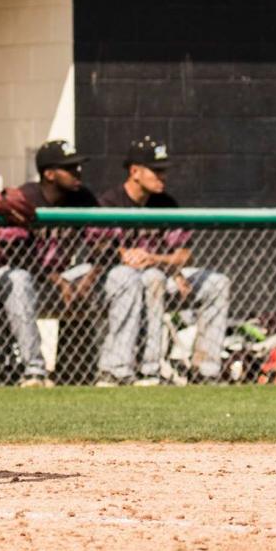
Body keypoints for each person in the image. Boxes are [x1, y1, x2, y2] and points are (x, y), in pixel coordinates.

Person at [95, 137, 232, 386]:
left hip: (163, 276)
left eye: (164, 170)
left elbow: (183, 255)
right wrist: (128, 256)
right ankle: (146, 370)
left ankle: (206, 370)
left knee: (217, 283)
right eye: (156, 170)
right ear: (135, 171)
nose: (163, 176)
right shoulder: (111, 202)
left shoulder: (166, 204)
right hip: (117, 283)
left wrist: (156, 259)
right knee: (149, 278)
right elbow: (100, 248)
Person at [0, 139, 101, 387]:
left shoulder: (83, 197)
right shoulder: (25, 196)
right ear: (49, 174)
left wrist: (90, 276)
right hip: (14, 280)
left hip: (59, 282)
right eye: (70, 168)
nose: (78, 172)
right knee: (19, 279)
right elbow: (16, 255)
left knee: (115, 276)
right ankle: (34, 370)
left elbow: (103, 244)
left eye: (78, 166)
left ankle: (105, 371)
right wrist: (56, 278)